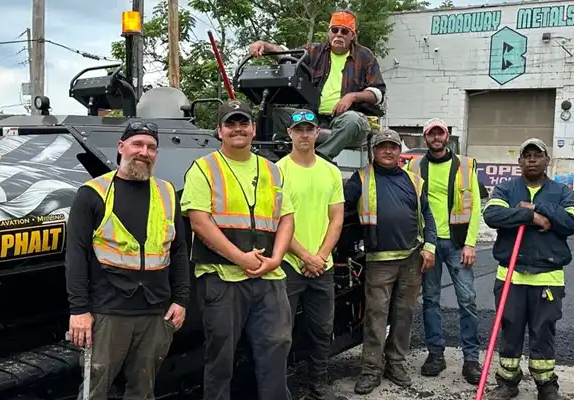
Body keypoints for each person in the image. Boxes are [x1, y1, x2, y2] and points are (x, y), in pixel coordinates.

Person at [66, 120, 191, 400]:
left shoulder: (167, 193)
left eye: (151, 147)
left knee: (143, 390)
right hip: (108, 313)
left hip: (155, 313)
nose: (144, 152)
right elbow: (75, 255)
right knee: (94, 390)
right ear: (121, 147)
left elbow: (179, 251)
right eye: (137, 144)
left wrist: (181, 299)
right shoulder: (92, 194)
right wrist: (79, 311)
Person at [180, 99, 296, 400]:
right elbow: (200, 222)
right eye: (230, 123)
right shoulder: (203, 169)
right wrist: (240, 258)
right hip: (222, 280)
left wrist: (276, 259)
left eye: (243, 122)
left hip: (269, 280)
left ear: (253, 129)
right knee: (220, 358)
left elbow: (286, 219)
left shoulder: (273, 170)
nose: (237, 129)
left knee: (276, 349)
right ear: (219, 131)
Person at [480, 138, 574, 400]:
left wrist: (538, 206)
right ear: (520, 161)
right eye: (527, 155)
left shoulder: (561, 193)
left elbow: (571, 221)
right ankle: (507, 381)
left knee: (543, 331)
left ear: (547, 160)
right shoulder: (505, 189)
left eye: (538, 155)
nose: (532, 159)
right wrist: (530, 217)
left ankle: (546, 385)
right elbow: (492, 216)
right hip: (510, 275)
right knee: (510, 328)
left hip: (547, 276)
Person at [343, 128, 436, 394]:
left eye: (393, 147)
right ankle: (371, 369)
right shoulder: (360, 179)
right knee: (375, 316)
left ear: (399, 151)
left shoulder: (414, 181)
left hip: (411, 258)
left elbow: (427, 216)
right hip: (378, 260)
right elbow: (340, 209)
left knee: (403, 315)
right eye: (382, 146)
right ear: (374, 151)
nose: (387, 151)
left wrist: (430, 247)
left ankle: (395, 363)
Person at [404, 118, 485, 384]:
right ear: (425, 138)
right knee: (430, 300)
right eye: (431, 134)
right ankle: (435, 353)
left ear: (447, 136)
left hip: (458, 244)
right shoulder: (414, 166)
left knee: (467, 300)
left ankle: (471, 359)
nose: (436, 138)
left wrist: (471, 242)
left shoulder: (465, 165)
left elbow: (474, 207)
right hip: (428, 245)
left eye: (440, 134)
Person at [248, 9, 387, 159]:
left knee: (352, 120)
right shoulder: (314, 51)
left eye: (345, 31)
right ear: (329, 32)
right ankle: (271, 159)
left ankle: (320, 159)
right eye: (335, 30)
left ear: (353, 35)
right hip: (311, 118)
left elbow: (378, 92)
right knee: (274, 114)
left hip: (346, 122)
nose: (339, 34)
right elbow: (286, 54)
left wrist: (352, 97)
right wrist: (264, 45)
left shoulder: (365, 56)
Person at [275, 109, 347, 400]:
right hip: (289, 265)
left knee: (321, 329)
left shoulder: (330, 171)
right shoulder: (278, 170)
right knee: (281, 334)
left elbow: (337, 218)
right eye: (299, 129)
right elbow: (277, 220)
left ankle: (318, 385)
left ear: (318, 133)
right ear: (289, 134)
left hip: (322, 266)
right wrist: (305, 256)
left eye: (310, 129)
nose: (304, 134)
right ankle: (280, 389)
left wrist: (320, 256)